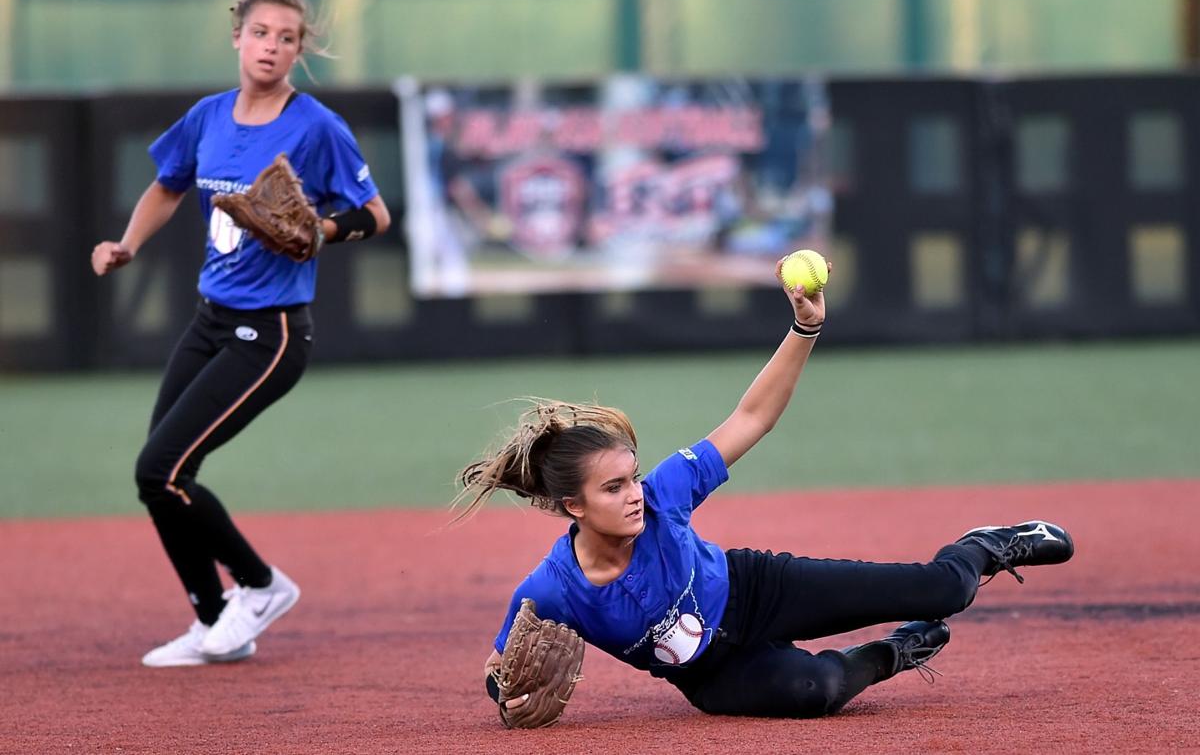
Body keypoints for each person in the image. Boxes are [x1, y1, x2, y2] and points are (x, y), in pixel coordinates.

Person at [457, 259, 1074, 719]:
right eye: (613, 488)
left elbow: (750, 419)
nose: (634, 494)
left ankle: (985, 547)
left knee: (946, 588)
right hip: (713, 676)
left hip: (759, 590)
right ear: (574, 506)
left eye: (632, 477)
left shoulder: (664, 495)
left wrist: (804, 329)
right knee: (816, 692)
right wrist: (506, 693)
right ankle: (894, 653)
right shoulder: (549, 591)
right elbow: (500, 667)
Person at [90, 0, 390, 668]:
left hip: (272, 331)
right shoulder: (208, 117)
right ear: (237, 37)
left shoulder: (315, 126)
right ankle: (215, 619)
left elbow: (375, 214)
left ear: (299, 49)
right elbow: (168, 184)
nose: (272, 47)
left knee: (159, 468)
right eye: (261, 33)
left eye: (287, 37)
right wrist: (128, 245)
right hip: (209, 320)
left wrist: (323, 230)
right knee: (162, 477)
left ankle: (260, 585)